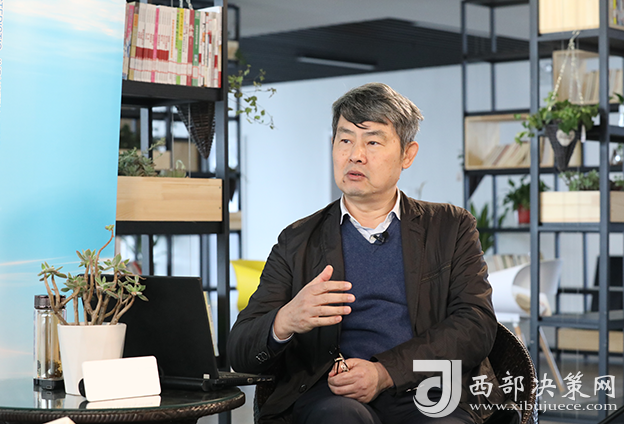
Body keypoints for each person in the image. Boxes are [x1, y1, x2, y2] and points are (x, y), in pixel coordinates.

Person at [228, 83, 503, 424]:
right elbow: (240, 350)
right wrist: (285, 320)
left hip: (429, 389)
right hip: (332, 394)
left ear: (407, 155)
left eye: (372, 142)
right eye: (345, 140)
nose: (355, 155)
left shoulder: (450, 226)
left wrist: (385, 372)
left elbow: (475, 324)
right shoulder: (297, 240)